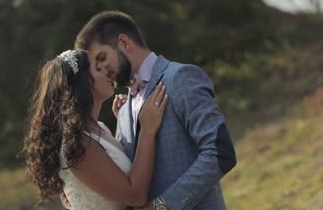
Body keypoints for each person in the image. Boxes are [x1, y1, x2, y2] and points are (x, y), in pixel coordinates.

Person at [74, 11, 237, 210]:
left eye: (102, 57)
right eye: (96, 65)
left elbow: (220, 153)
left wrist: (161, 207)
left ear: (124, 43)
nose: (103, 70)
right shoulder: (123, 109)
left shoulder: (180, 77)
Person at [24, 49, 168, 209]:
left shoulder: (99, 127)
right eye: (98, 68)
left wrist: (122, 125)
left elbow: (112, 166)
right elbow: (136, 196)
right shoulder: (78, 144)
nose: (108, 70)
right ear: (83, 82)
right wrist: (147, 130)